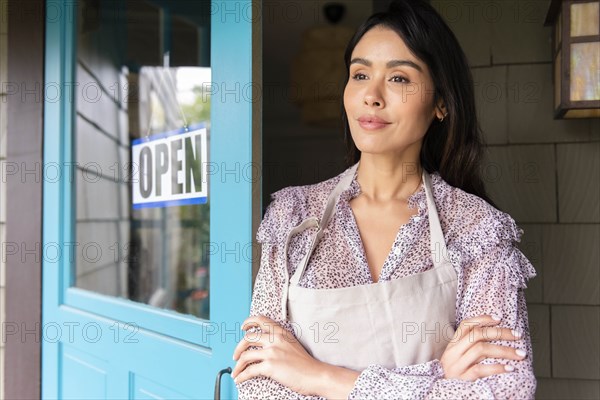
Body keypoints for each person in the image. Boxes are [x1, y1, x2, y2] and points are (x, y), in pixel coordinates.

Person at [231, 0, 537, 398]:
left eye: (399, 79)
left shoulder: (477, 229)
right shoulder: (292, 217)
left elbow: (507, 390)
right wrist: (439, 378)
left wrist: (319, 376)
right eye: (360, 74)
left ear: (441, 103)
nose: (371, 96)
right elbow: (259, 382)